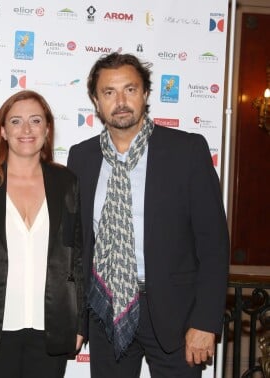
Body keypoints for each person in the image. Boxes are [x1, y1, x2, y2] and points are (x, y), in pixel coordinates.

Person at [66, 52, 229, 377]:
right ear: (96, 102)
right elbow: (76, 246)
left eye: (130, 89)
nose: (121, 101)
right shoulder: (82, 157)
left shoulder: (187, 151)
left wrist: (206, 321)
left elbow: (213, 244)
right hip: (106, 307)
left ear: (145, 95)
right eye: (109, 92)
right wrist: (75, 318)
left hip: (176, 312)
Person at [0, 90, 85, 378]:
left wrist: (80, 322)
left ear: (47, 129)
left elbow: (80, 257)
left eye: (35, 121)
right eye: (16, 121)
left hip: (52, 328)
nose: (26, 130)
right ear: (3, 131)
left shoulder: (66, 183)